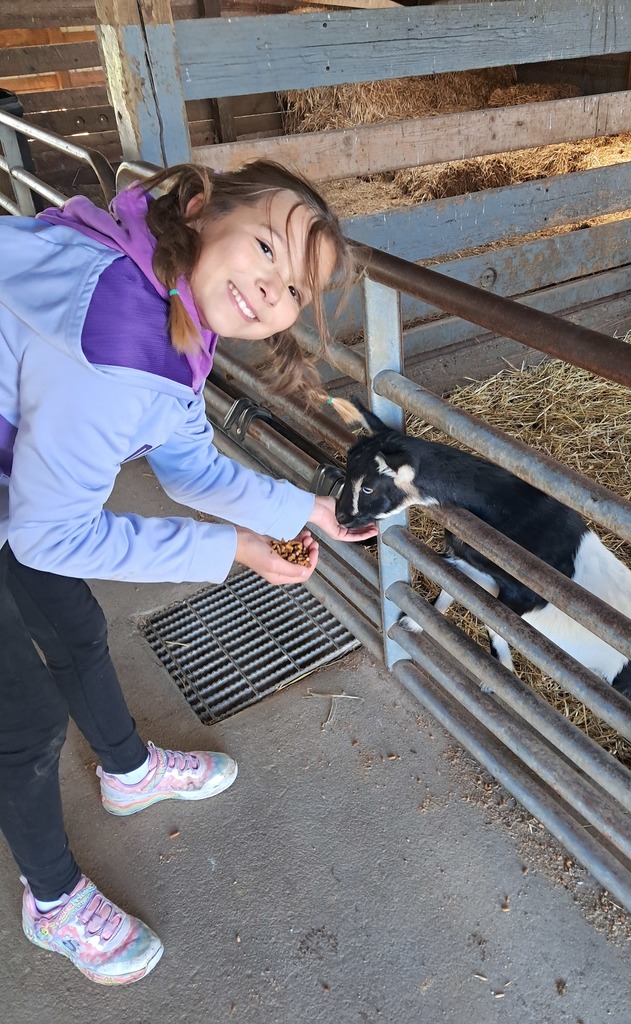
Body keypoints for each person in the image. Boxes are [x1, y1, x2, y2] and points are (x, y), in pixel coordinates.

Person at [0, 159, 377, 985]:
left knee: (74, 627)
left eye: (293, 291)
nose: (270, 289)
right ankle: (53, 902)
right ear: (202, 209)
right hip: (25, 509)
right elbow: (49, 538)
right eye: (267, 249)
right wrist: (228, 550)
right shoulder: (118, 341)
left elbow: (187, 465)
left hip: (15, 485)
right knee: (20, 722)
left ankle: (127, 773)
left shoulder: (165, 292)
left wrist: (300, 511)